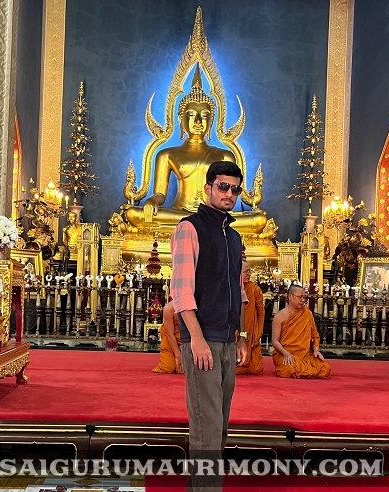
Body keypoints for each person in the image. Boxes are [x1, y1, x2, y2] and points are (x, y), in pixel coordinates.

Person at [170, 160, 248, 491]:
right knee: (207, 430)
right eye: (223, 187)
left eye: (235, 189)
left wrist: (241, 336)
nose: (229, 194)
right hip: (203, 340)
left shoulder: (234, 236)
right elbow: (181, 290)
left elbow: (239, 290)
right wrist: (196, 339)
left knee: (219, 428)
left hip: (228, 340)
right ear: (208, 188)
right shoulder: (190, 228)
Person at [124, 65, 267, 235]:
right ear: (181, 118)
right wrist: (152, 201)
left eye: (204, 116)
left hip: (214, 215)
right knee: (133, 214)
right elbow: (160, 193)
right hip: (180, 213)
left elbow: (230, 194)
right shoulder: (167, 154)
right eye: (191, 115)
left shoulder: (225, 155)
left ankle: (209, 225)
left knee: (258, 219)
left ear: (212, 120)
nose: (198, 121)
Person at [272, 284, 330, 379]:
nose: (303, 300)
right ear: (290, 297)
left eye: (304, 297)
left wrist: (316, 351)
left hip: (305, 355)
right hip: (286, 353)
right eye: (300, 297)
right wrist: (286, 353)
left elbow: (315, 336)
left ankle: (304, 368)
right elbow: (275, 341)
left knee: (325, 368)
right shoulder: (279, 317)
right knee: (287, 370)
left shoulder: (308, 314)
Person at [236, 260, 265, 375]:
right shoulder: (232, 288)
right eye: (245, 272)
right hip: (235, 330)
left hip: (251, 330)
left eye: (249, 271)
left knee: (255, 368)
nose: (248, 274)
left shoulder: (254, 289)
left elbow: (261, 312)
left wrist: (258, 332)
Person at [152, 300, 183, 374]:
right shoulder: (169, 308)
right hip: (170, 339)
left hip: (187, 340)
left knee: (186, 369)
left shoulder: (196, 306)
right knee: (168, 367)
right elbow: (169, 334)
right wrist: (178, 355)